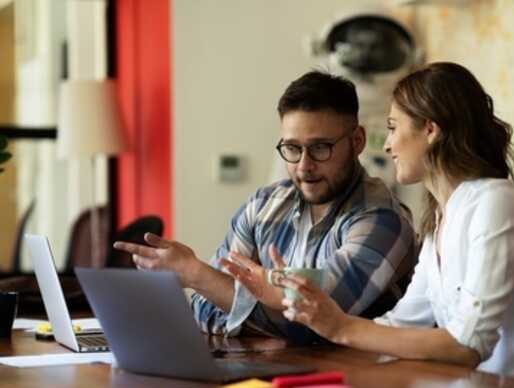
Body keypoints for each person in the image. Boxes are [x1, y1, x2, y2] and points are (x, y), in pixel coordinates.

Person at [256, 62, 514, 388]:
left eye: (392, 127)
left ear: (430, 130)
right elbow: (401, 323)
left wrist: (339, 326)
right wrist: (317, 326)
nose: (387, 145)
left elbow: (468, 345)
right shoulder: (440, 220)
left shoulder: (496, 203)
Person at [114, 71, 417, 344]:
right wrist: (258, 309)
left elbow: (313, 325)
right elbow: (204, 307)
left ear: (358, 141)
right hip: (271, 382)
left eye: (320, 148)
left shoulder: (382, 221)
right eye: (292, 148)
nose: (304, 166)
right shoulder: (263, 206)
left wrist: (196, 274)